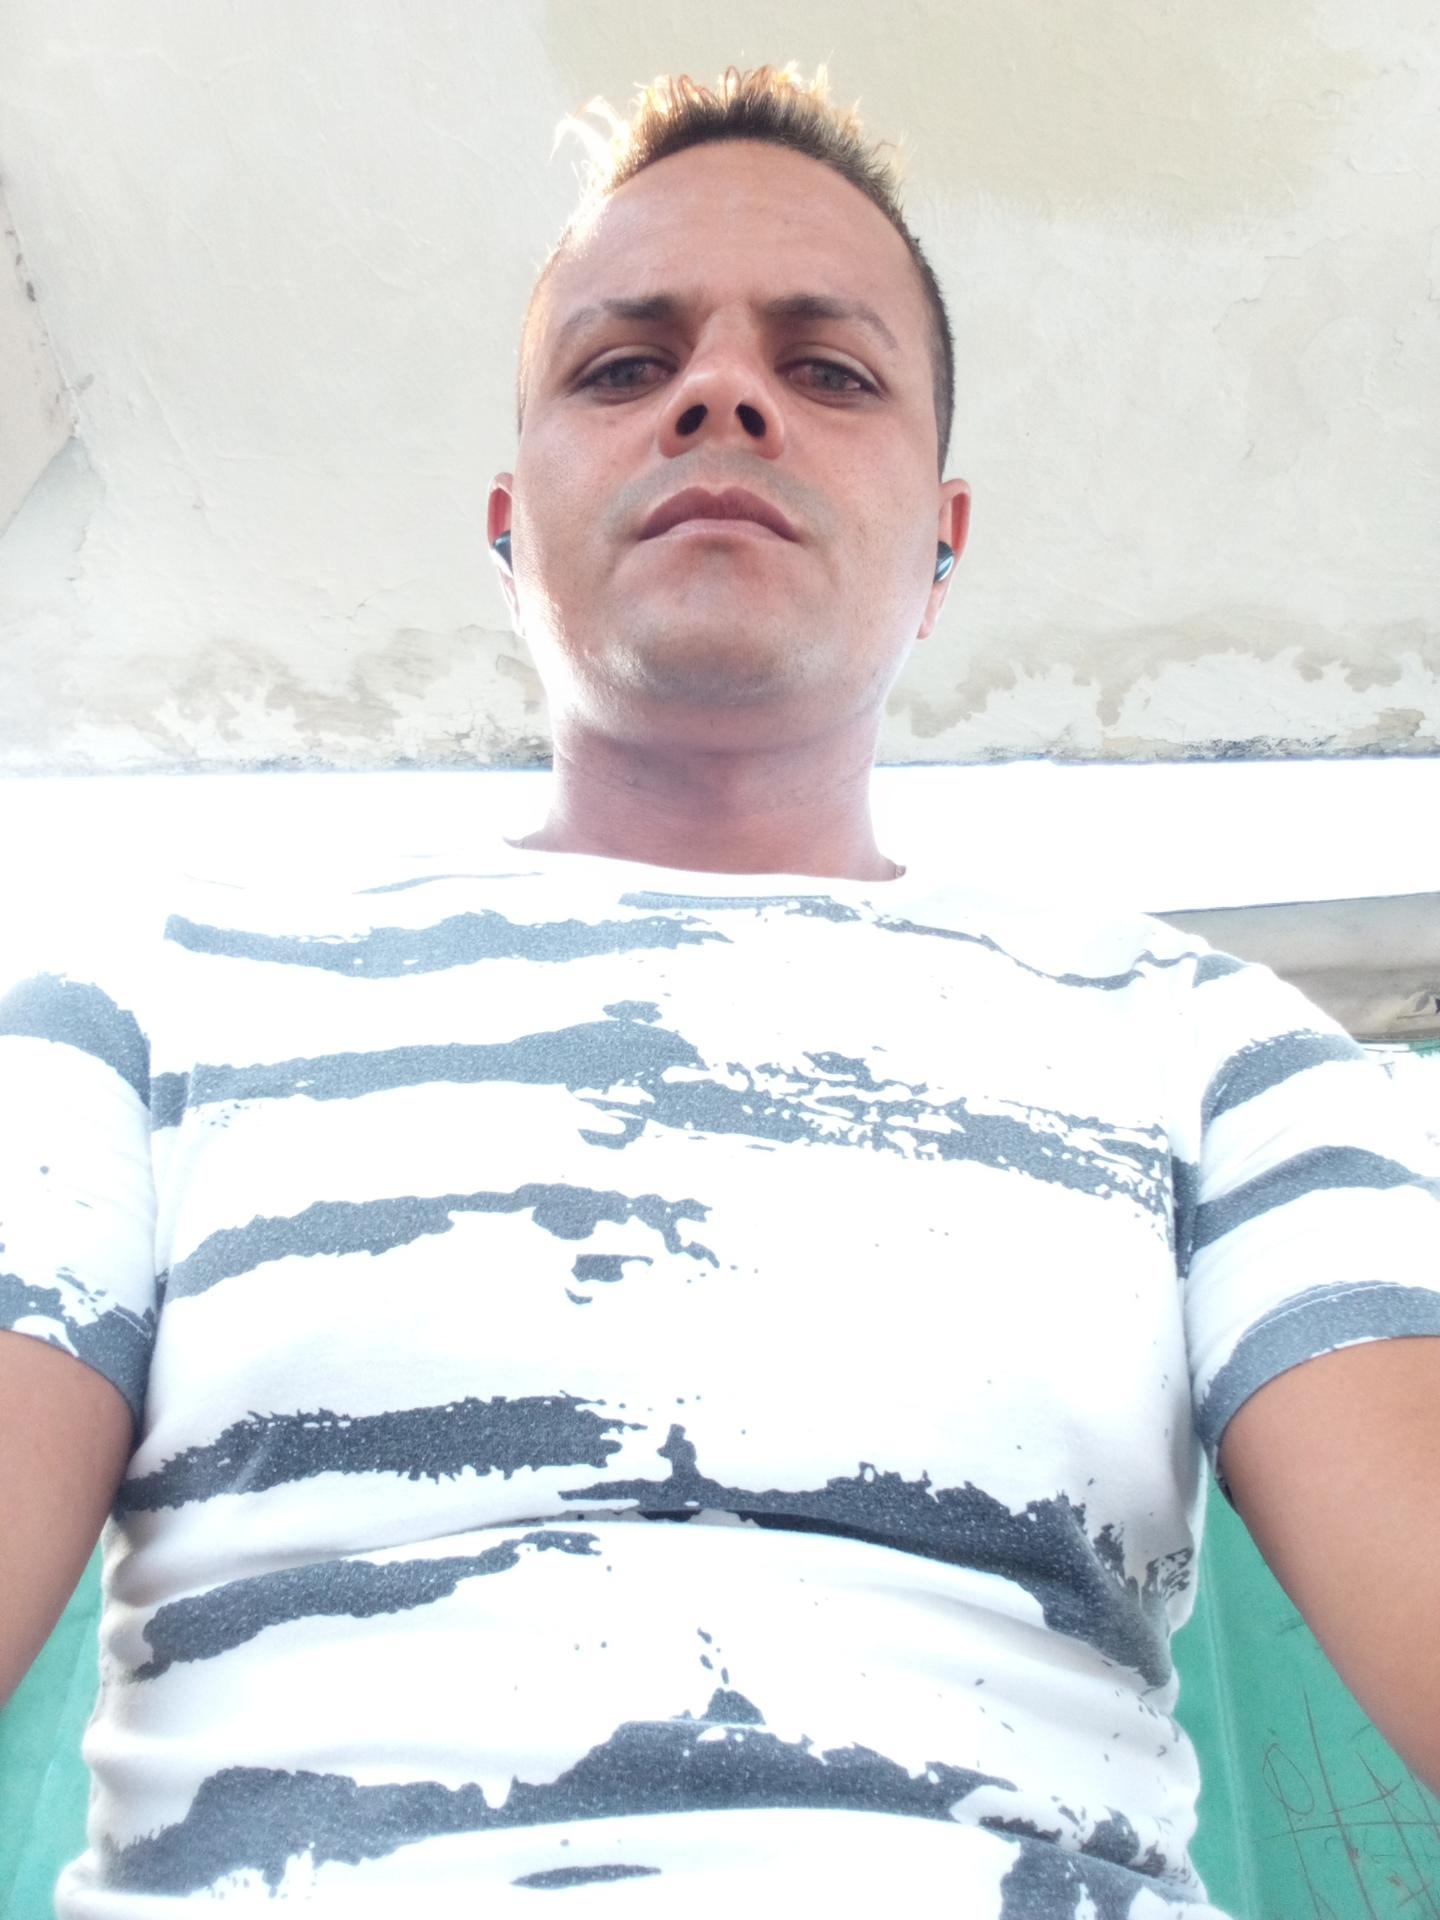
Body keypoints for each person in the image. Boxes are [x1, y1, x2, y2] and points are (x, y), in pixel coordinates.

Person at [1, 61, 1437, 1918]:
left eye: (827, 370)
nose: (723, 395)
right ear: (509, 526)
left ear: (943, 541)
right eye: (625, 366)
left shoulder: (1210, 1055)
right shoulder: (147, 1012)